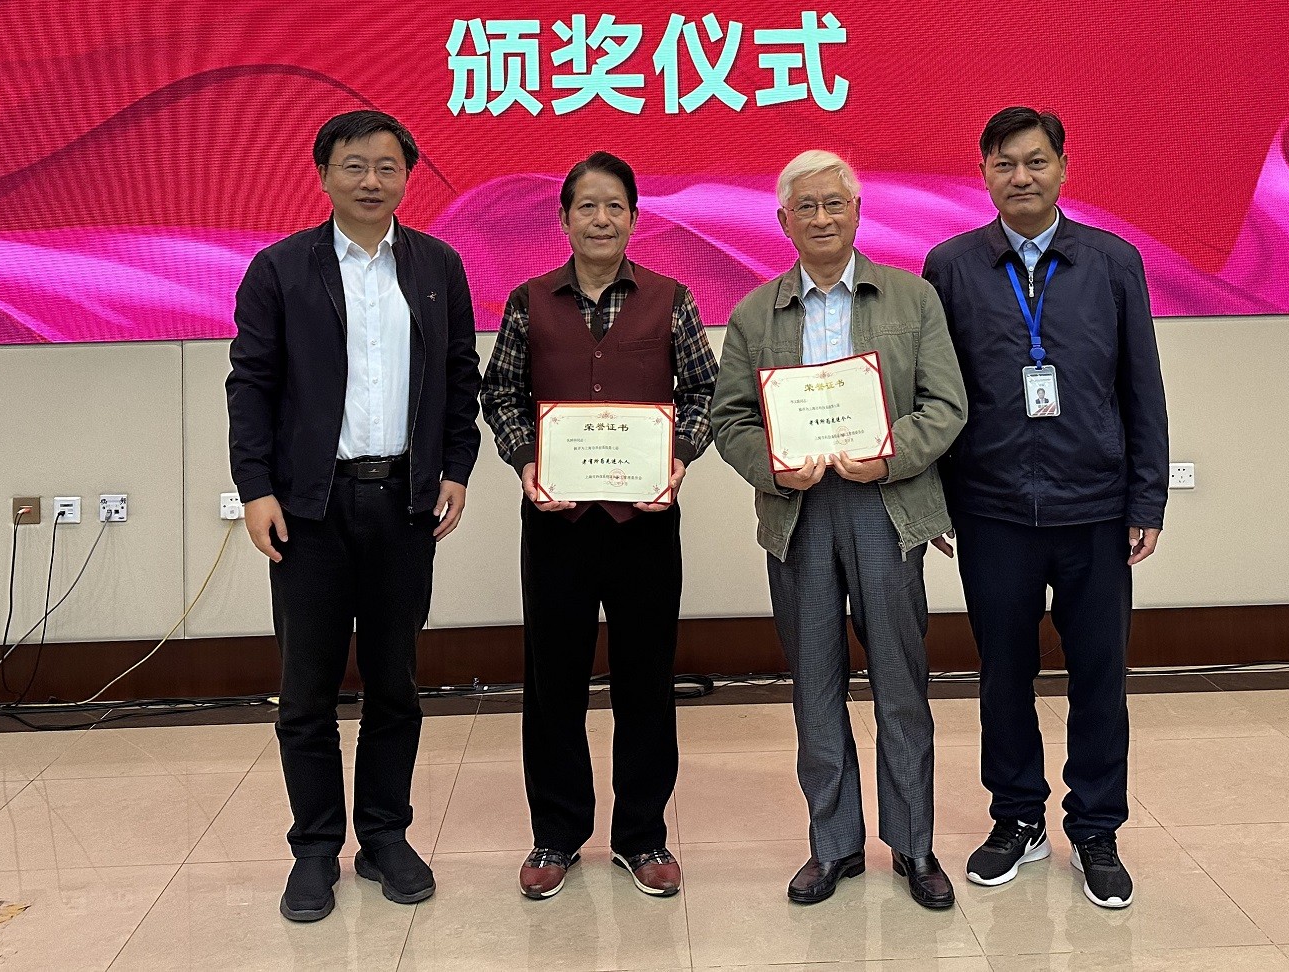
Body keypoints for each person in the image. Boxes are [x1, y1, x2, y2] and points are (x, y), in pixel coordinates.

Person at [226, 109, 481, 918]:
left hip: (404, 501)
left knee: (394, 683)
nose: (371, 180)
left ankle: (384, 837)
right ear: (324, 174)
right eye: (354, 165)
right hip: (310, 508)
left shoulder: (437, 265)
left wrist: (457, 468)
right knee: (306, 689)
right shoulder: (280, 269)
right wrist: (255, 489)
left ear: (407, 177)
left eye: (387, 167)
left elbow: (460, 377)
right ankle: (314, 849)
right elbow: (251, 385)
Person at [923, 107, 1169, 912]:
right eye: (1004, 164)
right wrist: (938, 499)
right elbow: (935, 392)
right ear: (983, 174)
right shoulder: (951, 267)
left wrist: (1147, 496)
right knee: (1004, 675)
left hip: (1094, 507)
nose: (1021, 177)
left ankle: (1096, 828)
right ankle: (1018, 818)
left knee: (1100, 676)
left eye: (1035, 161)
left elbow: (1141, 385)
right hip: (992, 510)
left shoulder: (1112, 262)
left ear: (1064, 167)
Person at [710, 150, 968, 912]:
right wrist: (772, 466)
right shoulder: (755, 313)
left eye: (834, 204)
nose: (821, 218)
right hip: (799, 515)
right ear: (783, 221)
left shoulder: (912, 299)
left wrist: (887, 454)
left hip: (886, 506)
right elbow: (729, 419)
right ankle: (833, 844)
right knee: (814, 686)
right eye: (806, 207)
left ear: (857, 212)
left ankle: (914, 844)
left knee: (899, 680)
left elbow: (946, 406)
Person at [480, 151, 719, 901]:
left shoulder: (671, 298)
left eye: (615, 206)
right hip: (555, 521)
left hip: (646, 519)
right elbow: (501, 393)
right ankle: (556, 833)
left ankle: (642, 836)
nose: (602, 219)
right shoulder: (528, 301)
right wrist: (525, 461)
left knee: (647, 678)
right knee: (554, 681)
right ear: (564, 218)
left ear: (635, 218)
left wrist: (678, 459)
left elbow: (705, 392)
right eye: (587, 206)